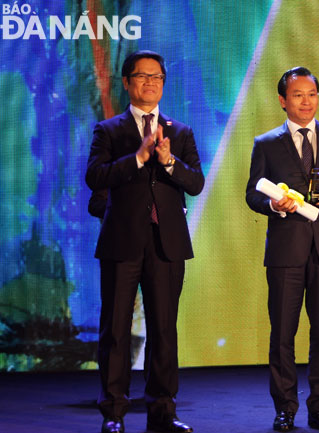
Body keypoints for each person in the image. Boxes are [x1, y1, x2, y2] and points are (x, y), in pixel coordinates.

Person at [86, 50, 204, 433]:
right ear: (126, 82)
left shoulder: (181, 132)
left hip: (166, 244)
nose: (150, 83)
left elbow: (196, 183)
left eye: (157, 77)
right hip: (122, 243)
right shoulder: (109, 130)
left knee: (164, 330)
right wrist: (138, 157)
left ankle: (162, 412)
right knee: (116, 331)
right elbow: (96, 177)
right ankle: (114, 413)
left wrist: (169, 162)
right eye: (142, 76)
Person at [246, 66, 319, 432]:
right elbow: (252, 193)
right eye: (297, 95)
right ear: (283, 101)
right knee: (282, 332)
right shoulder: (266, 143)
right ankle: (285, 408)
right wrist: (272, 206)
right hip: (285, 250)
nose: (306, 101)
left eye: (311, 93)